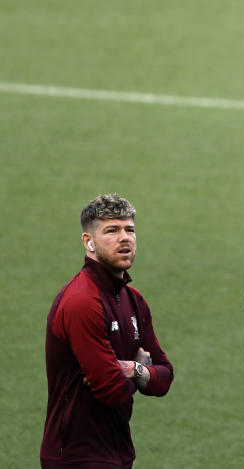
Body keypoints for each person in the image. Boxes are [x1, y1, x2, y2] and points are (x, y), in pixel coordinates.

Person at [41, 194, 174, 468]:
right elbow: (111, 390)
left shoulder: (134, 301)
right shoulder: (82, 302)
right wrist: (139, 372)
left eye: (130, 230)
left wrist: (131, 370)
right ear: (88, 242)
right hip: (76, 457)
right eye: (111, 230)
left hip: (117, 452)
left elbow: (165, 376)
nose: (124, 238)